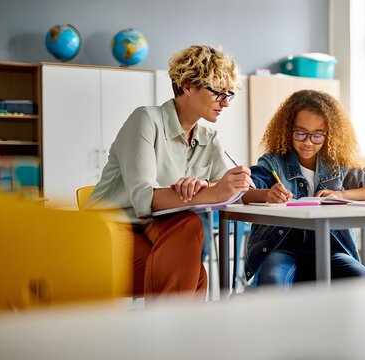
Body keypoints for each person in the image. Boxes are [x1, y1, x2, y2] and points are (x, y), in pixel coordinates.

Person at [84, 45, 252, 301]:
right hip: (111, 227)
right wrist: (209, 191)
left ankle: (168, 334)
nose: (226, 102)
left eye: (229, 94)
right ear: (187, 85)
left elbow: (234, 193)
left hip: (156, 229)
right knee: (196, 276)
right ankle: (176, 335)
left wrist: (268, 194)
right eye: (219, 92)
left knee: (189, 225)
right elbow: (144, 200)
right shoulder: (146, 120)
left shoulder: (208, 137)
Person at [242, 89, 365, 289]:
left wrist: (342, 194)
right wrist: (267, 194)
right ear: (288, 130)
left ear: (329, 135)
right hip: (282, 250)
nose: (307, 142)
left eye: (317, 136)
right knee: (273, 281)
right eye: (300, 133)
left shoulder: (339, 165)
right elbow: (245, 191)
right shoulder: (274, 163)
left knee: (363, 279)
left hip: (331, 250)